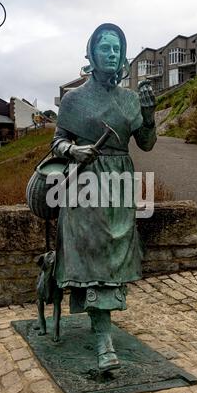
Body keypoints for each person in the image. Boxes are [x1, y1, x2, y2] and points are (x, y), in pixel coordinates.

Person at [51, 23, 157, 372]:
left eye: (117, 49)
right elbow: (57, 142)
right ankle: (103, 339)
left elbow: (145, 143)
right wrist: (73, 149)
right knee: (94, 259)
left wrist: (150, 115)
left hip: (119, 185)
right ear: (91, 54)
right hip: (85, 184)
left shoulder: (129, 99)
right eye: (105, 48)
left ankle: (104, 330)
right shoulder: (74, 99)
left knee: (115, 259)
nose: (111, 55)